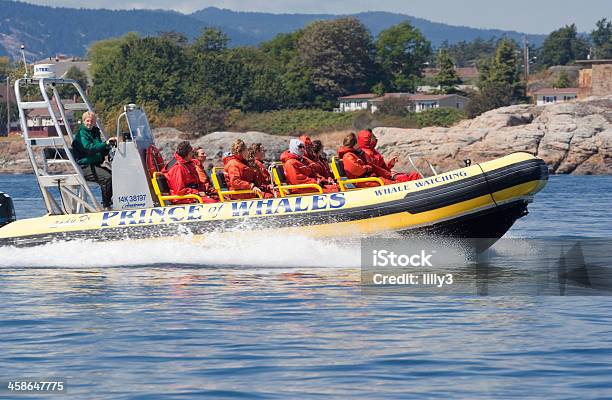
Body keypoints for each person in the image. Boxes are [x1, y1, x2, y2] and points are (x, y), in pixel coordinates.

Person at [71, 111, 116, 209]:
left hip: (94, 165)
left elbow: (99, 148)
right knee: (107, 178)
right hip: (85, 167)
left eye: (92, 121)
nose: (89, 123)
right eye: (87, 121)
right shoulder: (81, 134)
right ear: (83, 121)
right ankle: (106, 205)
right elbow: (89, 149)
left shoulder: (95, 132)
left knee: (115, 176)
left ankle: (111, 202)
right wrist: (105, 144)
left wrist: (108, 146)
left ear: (95, 122)